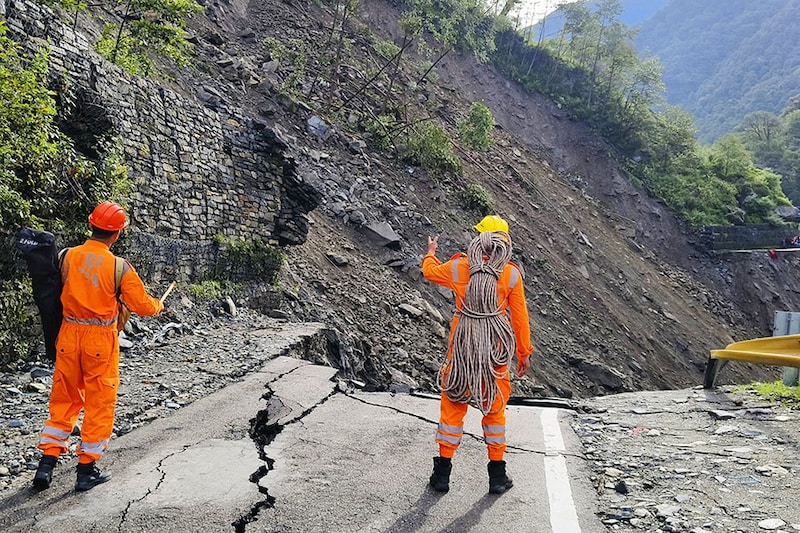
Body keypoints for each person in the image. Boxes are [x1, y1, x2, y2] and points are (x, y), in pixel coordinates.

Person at [33, 201, 165, 492]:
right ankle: (86, 470)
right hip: (100, 342)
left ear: (91, 226)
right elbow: (142, 306)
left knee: (64, 399)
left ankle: (46, 466)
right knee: (99, 403)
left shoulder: (67, 256)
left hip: (67, 336)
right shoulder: (119, 267)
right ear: (116, 234)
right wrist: (159, 306)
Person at [421, 214, 534, 495]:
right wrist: (523, 352)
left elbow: (430, 273)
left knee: (453, 404)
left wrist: (431, 253)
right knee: (494, 409)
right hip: (493, 350)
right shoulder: (510, 274)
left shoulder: (460, 266)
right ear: (505, 241)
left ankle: (442, 475)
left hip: (462, 349)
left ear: (480, 238)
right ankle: (497, 476)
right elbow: (519, 318)